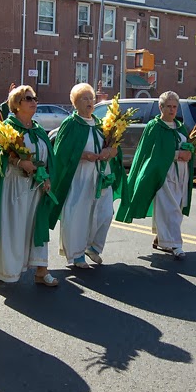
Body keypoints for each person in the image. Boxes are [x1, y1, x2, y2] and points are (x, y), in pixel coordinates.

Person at [0, 85, 58, 286]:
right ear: (16, 105)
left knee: (36, 227)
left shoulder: (39, 130)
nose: (34, 101)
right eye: (28, 98)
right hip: (13, 187)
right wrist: (18, 162)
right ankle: (8, 270)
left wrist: (47, 177)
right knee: (14, 229)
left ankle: (42, 269)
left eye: (34, 98)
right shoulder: (7, 128)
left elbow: (49, 157)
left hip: (36, 188)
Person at [49, 83, 125, 268]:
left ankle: (93, 247)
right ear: (75, 103)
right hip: (79, 176)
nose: (90, 102)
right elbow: (62, 153)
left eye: (91, 98)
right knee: (79, 215)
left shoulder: (100, 124)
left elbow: (114, 147)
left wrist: (111, 151)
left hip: (101, 176)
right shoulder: (71, 124)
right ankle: (76, 255)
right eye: (84, 98)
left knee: (105, 213)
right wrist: (84, 156)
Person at [115, 91, 195, 259]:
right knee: (170, 207)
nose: (172, 110)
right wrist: (176, 155)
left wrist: (189, 151)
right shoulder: (154, 126)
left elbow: (185, 146)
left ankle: (161, 238)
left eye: (175, 107)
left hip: (181, 172)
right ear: (161, 107)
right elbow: (151, 153)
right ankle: (175, 244)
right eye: (168, 107)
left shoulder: (179, 127)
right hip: (163, 174)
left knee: (176, 206)